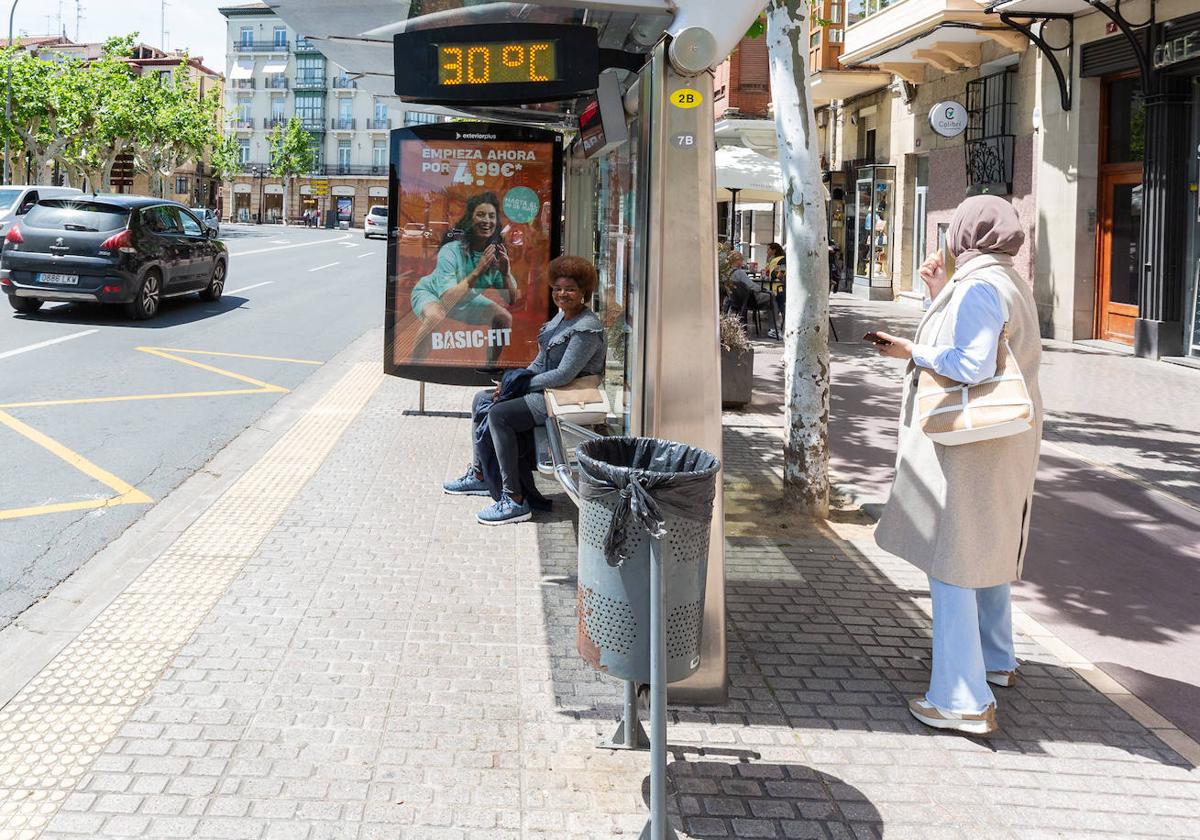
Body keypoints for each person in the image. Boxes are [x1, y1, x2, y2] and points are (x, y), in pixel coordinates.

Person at [870, 195, 1043, 736]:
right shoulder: (1008, 280)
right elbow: (983, 341)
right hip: (1004, 439)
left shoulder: (978, 287)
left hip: (969, 444)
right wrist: (936, 295)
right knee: (984, 547)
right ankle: (995, 657)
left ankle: (962, 698)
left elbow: (969, 362)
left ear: (968, 233)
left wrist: (910, 351)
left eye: (952, 227)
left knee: (952, 559)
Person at [442, 256, 605, 526]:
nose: (562, 294)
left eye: (570, 289)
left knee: (500, 415)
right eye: (557, 288)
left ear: (584, 292)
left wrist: (518, 385)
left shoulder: (586, 327)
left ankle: (514, 499)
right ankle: (481, 474)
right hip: (547, 390)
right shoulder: (561, 319)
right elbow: (541, 362)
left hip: (562, 398)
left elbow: (564, 375)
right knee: (481, 400)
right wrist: (510, 383)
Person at [409, 191, 522, 357]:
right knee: (435, 317)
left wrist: (505, 274)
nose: (487, 221)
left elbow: (511, 300)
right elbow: (447, 299)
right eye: (481, 215)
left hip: (464, 299)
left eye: (491, 216)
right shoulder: (451, 250)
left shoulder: (494, 254)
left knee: (504, 318)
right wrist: (478, 271)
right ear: (471, 219)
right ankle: (415, 364)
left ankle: (490, 369)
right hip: (432, 294)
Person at [723, 251, 780, 338]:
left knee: (769, 299)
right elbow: (752, 286)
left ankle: (771, 327)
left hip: (735, 300)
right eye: (741, 260)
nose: (742, 262)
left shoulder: (726, 273)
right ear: (737, 261)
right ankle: (773, 329)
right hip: (749, 301)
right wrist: (763, 289)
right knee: (771, 296)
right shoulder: (740, 273)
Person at [765, 242, 786, 338]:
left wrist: (773, 274)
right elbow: (767, 273)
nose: (767, 251)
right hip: (772, 288)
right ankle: (774, 329)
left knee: (780, 309)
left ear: (774, 250)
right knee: (775, 309)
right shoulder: (771, 260)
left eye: (768, 249)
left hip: (779, 289)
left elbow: (781, 274)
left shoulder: (782, 259)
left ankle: (778, 330)